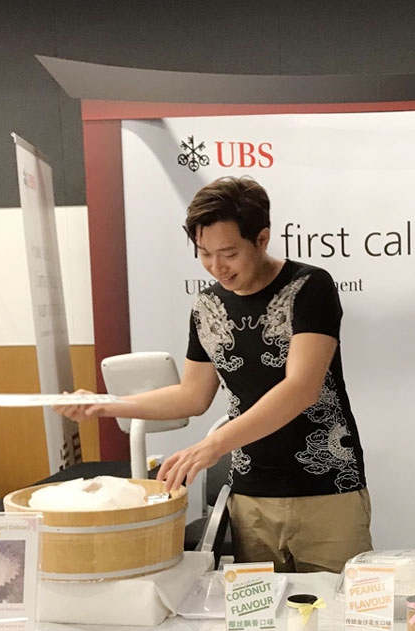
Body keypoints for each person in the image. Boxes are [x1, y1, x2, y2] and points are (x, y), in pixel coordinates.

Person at [56, 176, 372, 572]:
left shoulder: (309, 286)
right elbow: (191, 395)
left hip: (328, 489)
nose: (216, 267)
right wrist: (105, 404)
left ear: (262, 239)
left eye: (229, 253)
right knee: (259, 608)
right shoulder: (207, 306)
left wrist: (214, 444)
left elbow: (300, 388)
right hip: (251, 495)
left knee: (342, 604)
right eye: (204, 253)